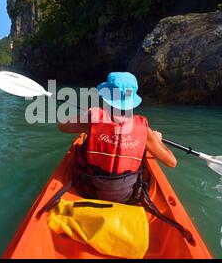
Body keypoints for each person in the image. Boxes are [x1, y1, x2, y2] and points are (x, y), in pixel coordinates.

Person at [57, 72, 177, 203]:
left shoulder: (92, 118)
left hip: (91, 191)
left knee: (86, 139)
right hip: (127, 197)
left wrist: (87, 115)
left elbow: (63, 127)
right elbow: (171, 162)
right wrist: (158, 140)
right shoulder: (144, 130)